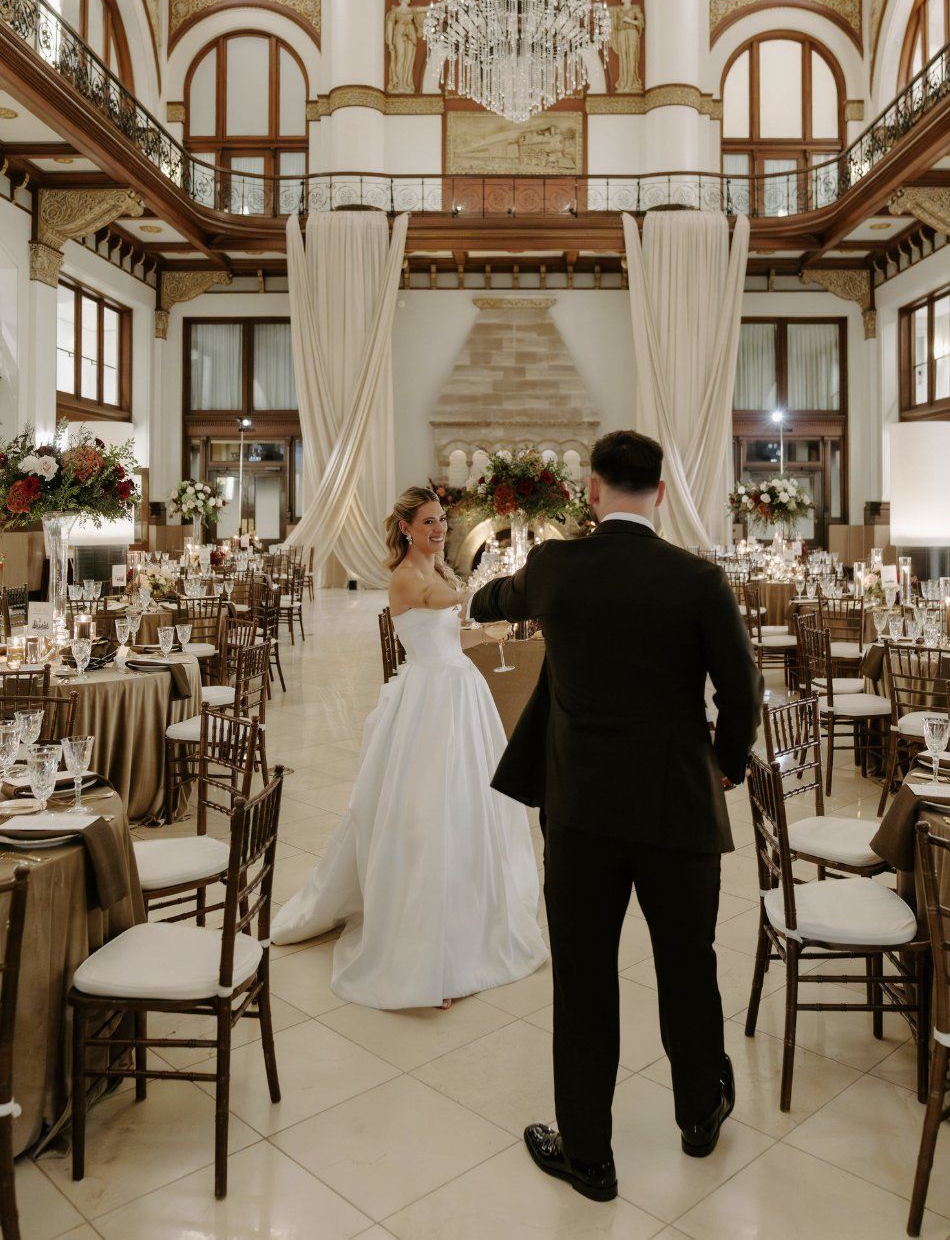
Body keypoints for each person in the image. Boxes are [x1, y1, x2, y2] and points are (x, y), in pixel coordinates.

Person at [470, 430, 762, 1202]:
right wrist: (726, 763)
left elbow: (491, 600)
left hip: (582, 811)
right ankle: (700, 1114)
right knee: (687, 967)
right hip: (677, 809)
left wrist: (504, 592)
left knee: (586, 978)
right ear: (660, 493)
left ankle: (589, 1155)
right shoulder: (698, 579)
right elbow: (743, 691)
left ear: (593, 492)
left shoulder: (558, 568)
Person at [270, 487, 547, 1009]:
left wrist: (486, 636)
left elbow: (448, 634)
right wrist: (489, 588)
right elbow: (434, 606)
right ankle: (426, 955)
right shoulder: (407, 579)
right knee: (426, 813)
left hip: (461, 691)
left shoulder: (440, 573)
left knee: (467, 806)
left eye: (442, 521)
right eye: (427, 523)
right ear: (406, 529)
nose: (438, 529)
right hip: (428, 702)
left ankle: (465, 921)